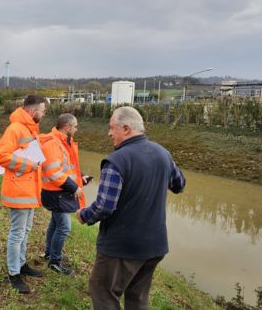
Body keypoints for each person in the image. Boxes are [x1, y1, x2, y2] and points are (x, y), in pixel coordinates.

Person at [76, 106, 186, 310]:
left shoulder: (116, 161)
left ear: (125, 128)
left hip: (122, 247)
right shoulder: (163, 154)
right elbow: (179, 185)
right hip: (155, 245)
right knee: (137, 297)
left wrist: (84, 215)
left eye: (112, 128)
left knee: (102, 291)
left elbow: (104, 206)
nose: (109, 133)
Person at [0, 95, 47, 294]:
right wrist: (29, 165)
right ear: (33, 112)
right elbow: (1, 156)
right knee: (17, 234)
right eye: (43, 110)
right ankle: (13, 273)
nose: (43, 114)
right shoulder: (15, 128)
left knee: (25, 231)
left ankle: (22, 264)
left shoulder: (30, 129)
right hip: (18, 191)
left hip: (29, 190)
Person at [40, 113, 89, 275]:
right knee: (64, 227)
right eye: (75, 126)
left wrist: (81, 178)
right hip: (56, 193)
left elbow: (69, 165)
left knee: (55, 224)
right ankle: (55, 261)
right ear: (67, 127)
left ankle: (49, 253)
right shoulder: (53, 143)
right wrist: (74, 187)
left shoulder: (63, 142)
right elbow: (54, 172)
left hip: (59, 192)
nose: (77, 129)